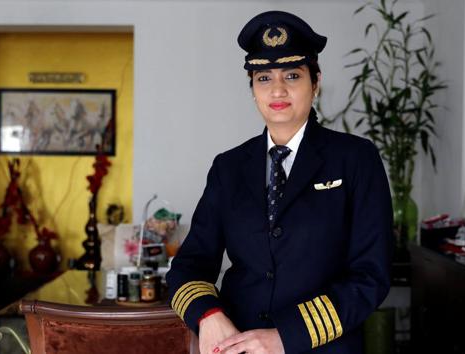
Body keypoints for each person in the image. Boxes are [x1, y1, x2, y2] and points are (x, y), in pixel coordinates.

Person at [166, 10, 393, 354]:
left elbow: (370, 276)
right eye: (263, 78)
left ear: (315, 82)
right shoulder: (228, 168)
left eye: (292, 75)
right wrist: (209, 315)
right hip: (238, 346)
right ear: (252, 89)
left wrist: (284, 337)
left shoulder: (356, 159)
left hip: (324, 347)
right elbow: (189, 265)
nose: (277, 89)